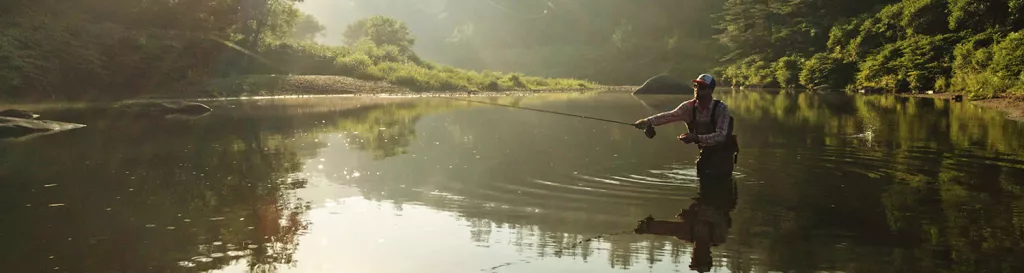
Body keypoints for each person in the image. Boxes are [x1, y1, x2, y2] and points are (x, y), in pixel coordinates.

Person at [633, 73, 738, 177]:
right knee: (702, 181)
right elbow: (670, 115)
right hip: (705, 152)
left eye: (702, 87)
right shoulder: (688, 107)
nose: (697, 89)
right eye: (696, 86)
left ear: (710, 91)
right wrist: (648, 121)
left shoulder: (721, 108)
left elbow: (721, 136)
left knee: (721, 183)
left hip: (723, 155)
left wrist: (696, 138)